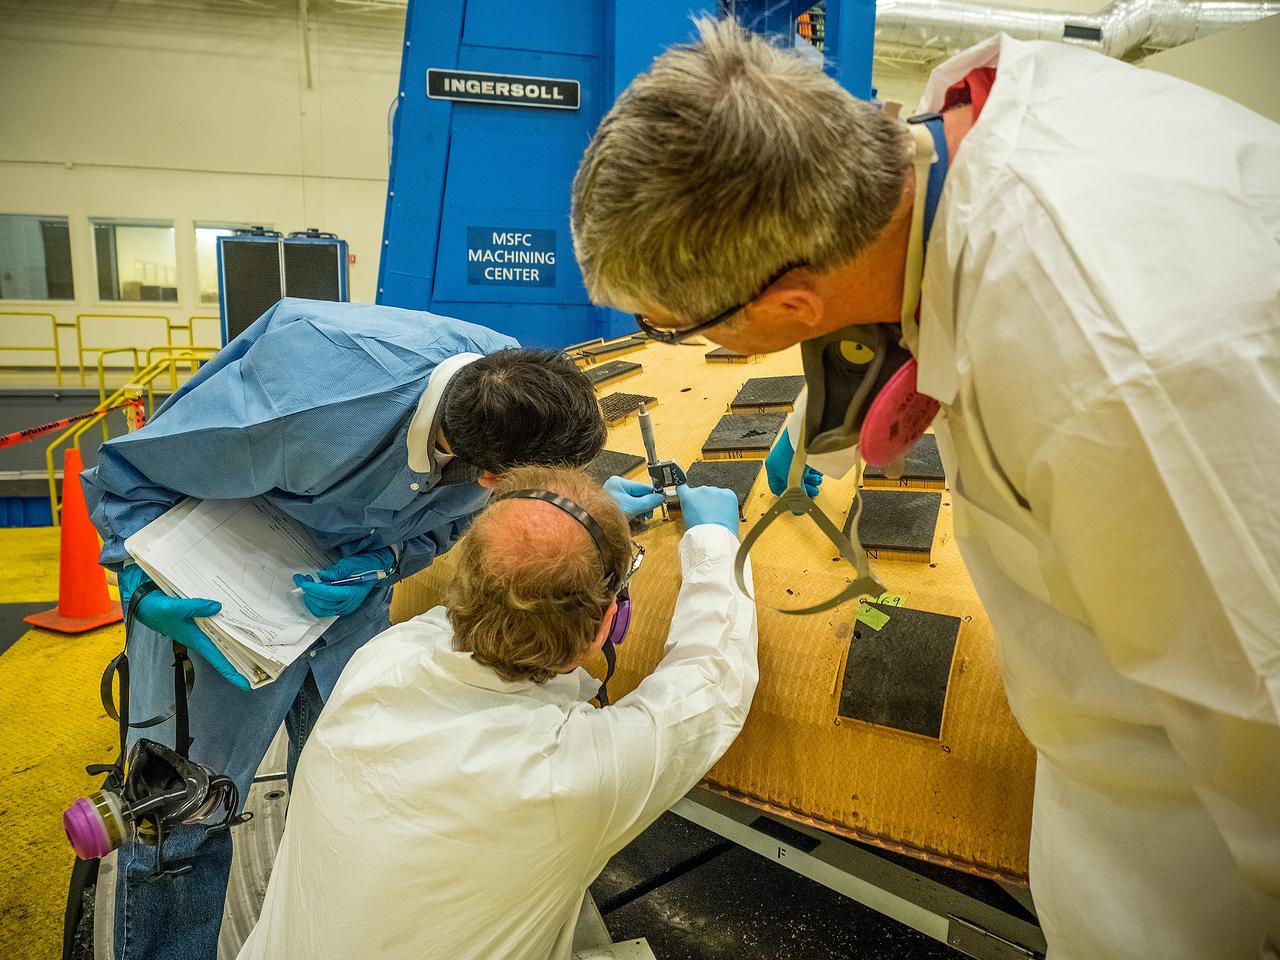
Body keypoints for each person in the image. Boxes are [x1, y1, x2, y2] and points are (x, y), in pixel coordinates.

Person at [570, 19, 1280, 960]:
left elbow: (1260, 717)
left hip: (1199, 852)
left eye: (674, 329)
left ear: (789, 306)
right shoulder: (967, 132)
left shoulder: (1119, 378)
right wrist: (840, 408)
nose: (675, 344)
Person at [82, 297, 645, 960]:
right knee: (178, 812)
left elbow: (458, 521)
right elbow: (129, 471)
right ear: (488, 475)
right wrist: (138, 581)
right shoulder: (302, 396)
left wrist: (387, 562)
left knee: (356, 786)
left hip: (348, 603)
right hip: (211, 592)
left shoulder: (514, 396)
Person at [235, 466, 756, 959]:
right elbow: (710, 680)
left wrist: (572, 522)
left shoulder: (379, 662)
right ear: (605, 628)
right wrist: (715, 543)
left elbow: (475, 604)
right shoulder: (571, 775)